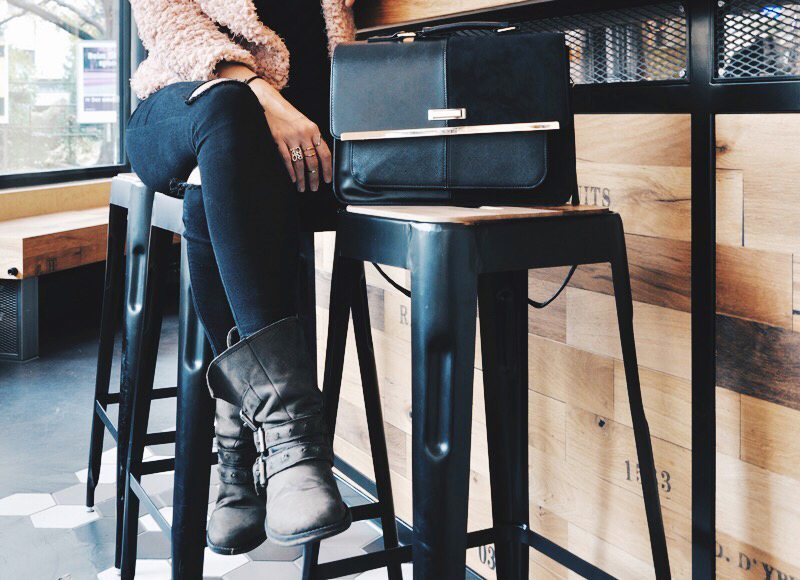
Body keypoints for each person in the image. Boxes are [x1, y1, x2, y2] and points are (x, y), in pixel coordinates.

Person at [125, 0, 357, 554]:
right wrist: (261, 94)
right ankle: (291, 443)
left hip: (303, 153)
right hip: (185, 108)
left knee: (215, 185)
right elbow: (170, 24)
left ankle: (235, 456)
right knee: (228, 112)